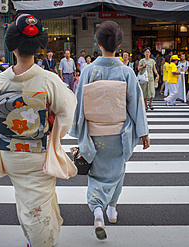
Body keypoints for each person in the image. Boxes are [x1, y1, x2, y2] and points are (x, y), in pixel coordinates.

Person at [0, 14, 77, 247]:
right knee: (38, 204)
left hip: (9, 152)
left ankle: (36, 239)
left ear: (13, 47)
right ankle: (40, 242)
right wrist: (54, 133)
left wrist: (5, 135)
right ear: (38, 48)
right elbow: (67, 112)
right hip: (38, 154)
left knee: (25, 200)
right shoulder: (49, 80)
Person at [69, 20, 150, 241]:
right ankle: (112, 207)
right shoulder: (126, 72)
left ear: (98, 43)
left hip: (94, 134)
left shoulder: (88, 70)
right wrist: (143, 132)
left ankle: (97, 212)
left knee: (96, 174)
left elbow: (80, 103)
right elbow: (135, 103)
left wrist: (78, 130)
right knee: (117, 171)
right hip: (119, 134)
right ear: (119, 44)